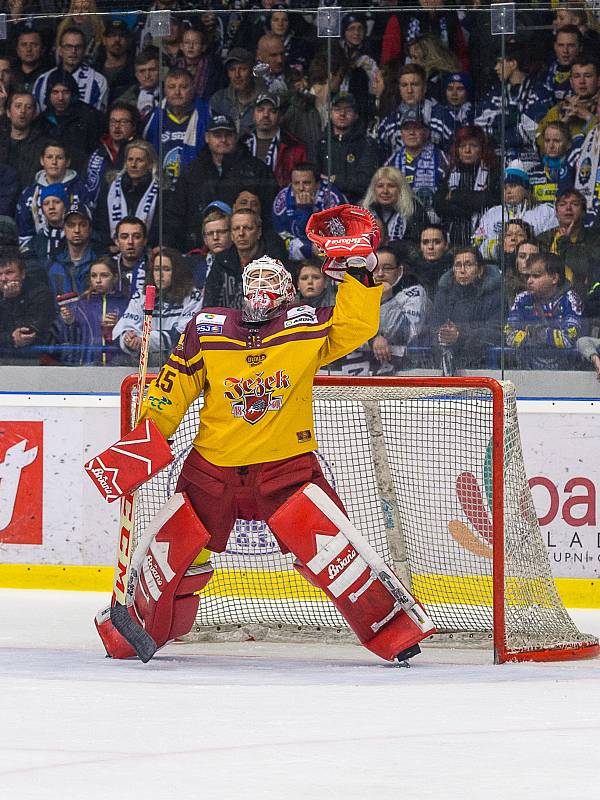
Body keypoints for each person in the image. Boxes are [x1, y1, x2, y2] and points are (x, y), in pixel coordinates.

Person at [94, 212, 431, 665]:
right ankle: (135, 631)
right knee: (173, 557)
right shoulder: (206, 328)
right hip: (212, 469)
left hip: (286, 469)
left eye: (272, 282)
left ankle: (395, 631)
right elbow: (171, 388)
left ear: (288, 291)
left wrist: (359, 276)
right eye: (254, 281)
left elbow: (356, 326)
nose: (261, 290)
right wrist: (145, 439)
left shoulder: (305, 326)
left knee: (334, 553)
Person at [164, 114, 278, 251]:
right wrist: (168, 244)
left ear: (236, 137)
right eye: (217, 135)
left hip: (245, 250)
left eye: (228, 135)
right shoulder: (192, 171)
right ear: (207, 138)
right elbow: (175, 214)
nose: (223, 140)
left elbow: (270, 214)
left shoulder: (257, 170)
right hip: (197, 249)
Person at [112, 246, 203, 368]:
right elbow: (125, 324)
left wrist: (144, 340)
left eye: (166, 269)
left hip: (181, 365)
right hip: (147, 364)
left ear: (177, 271)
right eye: (156, 269)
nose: (160, 275)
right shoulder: (142, 294)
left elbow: (183, 333)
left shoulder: (193, 295)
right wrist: (128, 338)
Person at [431, 247, 503, 374]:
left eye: (468, 265)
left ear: (480, 270)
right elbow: (431, 327)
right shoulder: (444, 294)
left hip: (484, 366)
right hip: (445, 363)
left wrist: (460, 334)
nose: (462, 270)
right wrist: (442, 335)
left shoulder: (495, 295)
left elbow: (497, 331)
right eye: (458, 265)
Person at [506, 252, 583, 369]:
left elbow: (570, 339)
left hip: (567, 374)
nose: (529, 281)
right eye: (528, 276)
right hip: (526, 373)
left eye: (536, 276)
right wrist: (550, 335)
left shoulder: (570, 299)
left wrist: (533, 333)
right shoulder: (522, 299)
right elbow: (509, 336)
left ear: (554, 278)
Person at [51, 255, 128, 366]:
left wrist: (119, 325)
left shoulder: (125, 304)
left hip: (118, 365)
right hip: (87, 365)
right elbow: (68, 339)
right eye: (94, 276)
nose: (98, 280)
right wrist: (68, 321)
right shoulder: (81, 305)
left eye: (104, 275)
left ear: (115, 277)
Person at [473, 160, 557, 261]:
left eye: (513, 186)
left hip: (534, 264)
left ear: (525, 188)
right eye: (504, 187)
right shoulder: (492, 213)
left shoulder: (545, 212)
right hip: (498, 266)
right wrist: (497, 249)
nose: (508, 191)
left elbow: (553, 242)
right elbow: (476, 243)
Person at [366, 246, 432, 374]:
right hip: (367, 371)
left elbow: (405, 334)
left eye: (387, 268)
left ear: (399, 271)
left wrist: (387, 298)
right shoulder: (359, 294)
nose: (380, 274)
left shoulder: (415, 292)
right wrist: (374, 338)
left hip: (410, 369)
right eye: (375, 269)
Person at [203, 207, 286, 308]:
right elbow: (209, 304)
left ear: (259, 232)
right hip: (224, 321)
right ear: (232, 235)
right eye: (236, 228)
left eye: (247, 228)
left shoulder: (273, 263)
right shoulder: (221, 261)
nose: (241, 233)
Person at [143, 67, 210, 191]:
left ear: (193, 88)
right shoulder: (152, 118)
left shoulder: (207, 115)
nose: (177, 92)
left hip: (195, 187)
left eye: (183, 87)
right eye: (172, 87)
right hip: (159, 189)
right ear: (165, 90)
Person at [434, 125, 500, 248]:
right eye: (462, 146)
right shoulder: (451, 171)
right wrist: (472, 203)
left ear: (482, 149)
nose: (467, 150)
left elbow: (491, 201)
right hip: (452, 239)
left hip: (482, 240)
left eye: (473, 146)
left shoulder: (493, 172)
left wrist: (453, 196)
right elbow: (438, 204)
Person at [272, 162, 347, 261]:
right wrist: (307, 248)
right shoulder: (282, 200)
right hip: (295, 251)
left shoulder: (332, 199)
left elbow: (337, 237)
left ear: (317, 184)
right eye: (296, 183)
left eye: (306, 183)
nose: (301, 188)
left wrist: (305, 210)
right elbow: (280, 236)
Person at [16, 142, 85, 249]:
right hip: (37, 251)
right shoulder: (29, 194)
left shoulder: (80, 189)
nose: (54, 162)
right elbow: (24, 232)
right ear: (42, 161)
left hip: (75, 249)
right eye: (49, 157)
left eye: (59, 158)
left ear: (67, 162)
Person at [314, 91, 378, 204]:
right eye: (337, 109)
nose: (342, 114)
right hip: (325, 204)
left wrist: (334, 180)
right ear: (330, 113)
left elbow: (365, 182)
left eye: (348, 110)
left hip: (357, 204)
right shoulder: (320, 143)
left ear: (356, 115)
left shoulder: (367, 144)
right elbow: (315, 177)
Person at [537, 188, 600, 300]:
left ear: (584, 212)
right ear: (556, 212)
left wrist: (564, 243)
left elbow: (585, 268)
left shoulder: (594, 238)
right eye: (562, 204)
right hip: (546, 301)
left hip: (583, 302)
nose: (568, 208)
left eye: (575, 204)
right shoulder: (543, 239)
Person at [95, 139, 160, 247]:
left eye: (139, 160)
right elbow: (101, 221)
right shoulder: (110, 187)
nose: (133, 165)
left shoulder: (161, 191)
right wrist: (108, 245)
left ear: (149, 164)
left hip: (148, 249)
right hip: (113, 249)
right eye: (130, 159)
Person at [33, 26, 108, 112]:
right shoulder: (42, 80)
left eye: (78, 47)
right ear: (60, 50)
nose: (73, 51)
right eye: (68, 46)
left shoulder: (98, 81)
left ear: (84, 50)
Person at [0, 246, 55, 363]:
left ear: (23, 274)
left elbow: (28, 333)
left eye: (9, 272)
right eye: (0, 274)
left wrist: (12, 301)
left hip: (34, 360)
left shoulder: (41, 293)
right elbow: (12, 337)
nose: (3, 278)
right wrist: (9, 339)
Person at [241, 93, 307, 188]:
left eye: (272, 111)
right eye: (260, 110)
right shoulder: (241, 144)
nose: (266, 115)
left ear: (280, 115)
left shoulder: (294, 147)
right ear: (253, 114)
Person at [84, 101, 140, 211]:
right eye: (113, 122)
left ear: (133, 126)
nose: (117, 126)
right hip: (97, 216)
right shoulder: (98, 152)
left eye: (123, 122)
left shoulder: (142, 152)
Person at [208, 48, 264, 136]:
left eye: (243, 69)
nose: (237, 75)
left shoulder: (265, 99)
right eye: (232, 70)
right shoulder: (218, 100)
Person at [0, 90, 48, 191]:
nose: (23, 111)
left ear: (34, 114)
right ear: (8, 112)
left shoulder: (43, 145)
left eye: (28, 107)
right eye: (18, 106)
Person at [47, 204, 98, 296]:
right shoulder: (53, 264)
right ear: (64, 229)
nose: (77, 230)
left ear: (90, 228)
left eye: (82, 225)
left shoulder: (100, 261)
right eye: (71, 225)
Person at [529, 121, 575, 205]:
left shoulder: (574, 171)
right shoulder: (532, 173)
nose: (551, 145)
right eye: (547, 140)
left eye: (556, 141)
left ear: (568, 144)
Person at [429, 71, 475, 151]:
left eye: (459, 89)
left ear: (468, 91)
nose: (454, 94)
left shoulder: (476, 113)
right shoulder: (439, 114)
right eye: (450, 89)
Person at [116, 48, 160, 124]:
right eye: (142, 71)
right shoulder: (124, 99)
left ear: (160, 71)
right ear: (136, 75)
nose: (147, 75)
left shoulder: (170, 94)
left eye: (152, 70)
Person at [111, 215, 149, 299]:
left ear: (145, 241)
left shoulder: (154, 267)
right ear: (116, 241)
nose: (130, 242)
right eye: (124, 237)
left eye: (136, 237)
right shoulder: (107, 266)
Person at [412, 223, 452, 300]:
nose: (430, 247)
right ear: (420, 246)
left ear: (446, 245)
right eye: (425, 242)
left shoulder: (455, 271)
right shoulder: (411, 272)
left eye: (437, 242)